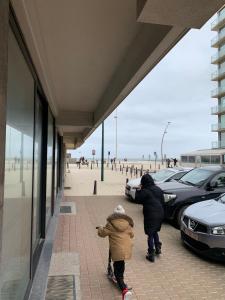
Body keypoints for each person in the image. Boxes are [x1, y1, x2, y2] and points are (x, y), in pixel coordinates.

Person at [97, 205, 134, 300]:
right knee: (121, 264)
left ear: (114, 214)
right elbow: (132, 235)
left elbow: (102, 234)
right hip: (126, 249)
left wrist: (100, 228)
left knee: (117, 270)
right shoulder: (128, 224)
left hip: (117, 250)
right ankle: (121, 279)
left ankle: (124, 290)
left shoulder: (110, 224)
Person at [135, 174, 164, 262]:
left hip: (151, 214)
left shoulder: (145, 191)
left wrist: (138, 190)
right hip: (160, 213)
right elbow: (163, 200)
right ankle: (158, 248)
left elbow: (137, 199)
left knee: (150, 234)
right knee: (154, 231)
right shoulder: (158, 189)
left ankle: (151, 254)